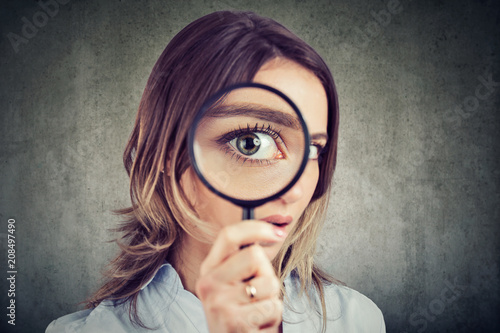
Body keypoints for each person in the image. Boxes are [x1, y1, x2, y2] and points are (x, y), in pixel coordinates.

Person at [46, 10, 385, 333]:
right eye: (252, 142)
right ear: (167, 150)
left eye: (313, 150)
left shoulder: (356, 320)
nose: (296, 191)